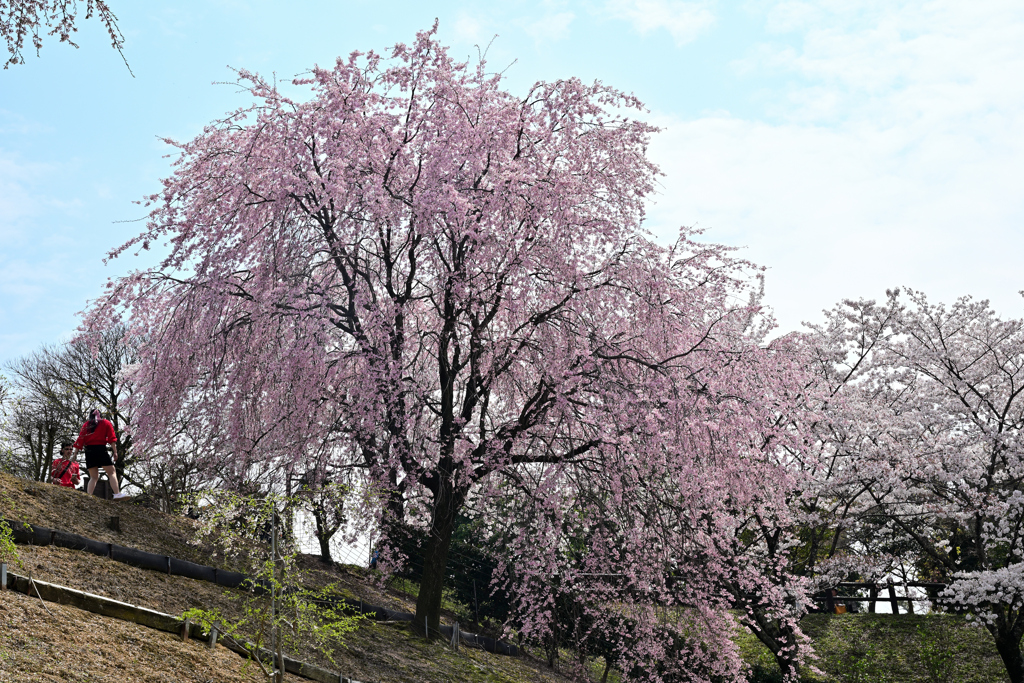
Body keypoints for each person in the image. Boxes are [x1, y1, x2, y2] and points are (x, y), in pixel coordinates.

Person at [73, 408, 128, 500]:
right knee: (112, 472)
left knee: (93, 477)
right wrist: (115, 452)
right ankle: (117, 494)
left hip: (89, 451)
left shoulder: (86, 425)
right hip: (101, 449)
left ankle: (88, 496)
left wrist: (75, 454)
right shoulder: (106, 423)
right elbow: (112, 439)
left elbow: (80, 440)